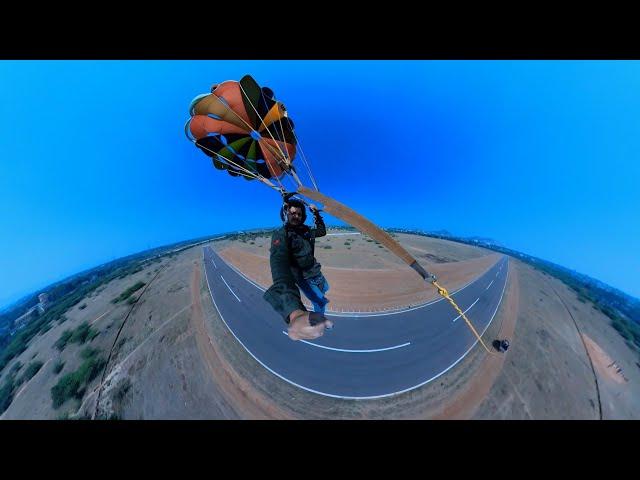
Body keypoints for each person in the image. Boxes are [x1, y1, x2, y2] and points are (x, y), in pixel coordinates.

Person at [263, 196, 333, 340]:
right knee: (320, 301)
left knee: (325, 288)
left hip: (315, 271)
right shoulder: (282, 235)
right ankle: (317, 320)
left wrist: (316, 214)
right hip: (304, 278)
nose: (296, 216)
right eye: (293, 213)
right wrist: (294, 312)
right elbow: (279, 264)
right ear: (286, 214)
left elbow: (321, 231)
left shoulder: (306, 230)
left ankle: (320, 301)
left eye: (299, 214)